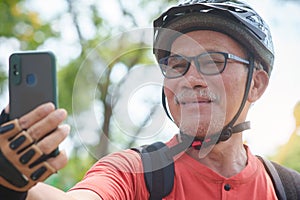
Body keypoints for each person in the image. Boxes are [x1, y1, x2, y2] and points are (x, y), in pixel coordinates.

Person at [0, 0, 300, 199]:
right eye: (177, 64)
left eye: (212, 61)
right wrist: (9, 182)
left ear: (256, 84)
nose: (190, 78)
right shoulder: (134, 172)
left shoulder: (288, 188)